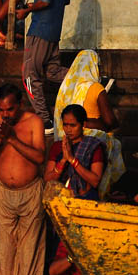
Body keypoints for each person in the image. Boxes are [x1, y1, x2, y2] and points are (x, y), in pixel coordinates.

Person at [0, 83, 47, 275]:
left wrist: (12, 139)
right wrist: (0, 139)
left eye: (10, 109)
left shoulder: (34, 122)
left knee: (29, 251)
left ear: (20, 104)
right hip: (4, 194)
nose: (5, 114)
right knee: (4, 251)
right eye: (2, 110)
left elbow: (40, 157)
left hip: (31, 193)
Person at [16, 0, 70, 133]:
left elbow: (46, 0)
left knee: (29, 74)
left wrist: (28, 9)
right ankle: (92, 81)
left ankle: (44, 121)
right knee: (52, 71)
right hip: (54, 28)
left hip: (41, 28)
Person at [53, 49, 124, 198]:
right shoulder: (95, 87)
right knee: (115, 143)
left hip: (64, 135)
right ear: (94, 66)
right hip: (89, 136)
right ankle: (106, 191)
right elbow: (110, 121)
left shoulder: (66, 87)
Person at [45, 105, 105, 201]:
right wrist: (63, 160)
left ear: (83, 124)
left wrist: (72, 160)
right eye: (65, 125)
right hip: (60, 201)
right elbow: (48, 180)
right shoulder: (57, 147)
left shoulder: (93, 146)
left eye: (73, 125)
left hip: (86, 200)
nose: (68, 129)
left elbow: (95, 181)